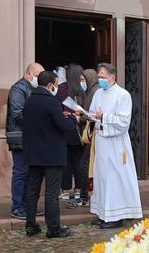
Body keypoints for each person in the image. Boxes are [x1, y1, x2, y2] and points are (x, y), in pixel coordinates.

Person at [22, 70, 78, 238]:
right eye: (55, 84)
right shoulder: (52, 102)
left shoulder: (30, 101)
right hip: (52, 155)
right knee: (52, 193)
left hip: (33, 154)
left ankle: (30, 225)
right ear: (49, 85)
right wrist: (72, 119)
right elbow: (64, 126)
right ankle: (53, 228)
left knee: (32, 190)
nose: (56, 87)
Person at [88, 63, 142, 229]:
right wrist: (85, 116)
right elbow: (92, 112)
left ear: (113, 77)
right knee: (102, 178)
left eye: (103, 77)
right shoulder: (98, 93)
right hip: (102, 142)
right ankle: (103, 213)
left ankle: (116, 215)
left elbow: (123, 122)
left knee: (115, 179)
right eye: (99, 77)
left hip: (117, 144)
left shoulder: (122, 95)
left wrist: (103, 116)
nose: (100, 80)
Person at [5, 62, 44, 220]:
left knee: (29, 173)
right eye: (37, 76)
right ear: (28, 74)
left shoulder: (32, 88)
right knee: (21, 172)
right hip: (20, 136)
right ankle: (17, 207)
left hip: (29, 137)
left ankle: (28, 206)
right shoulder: (18, 89)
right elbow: (17, 113)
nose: (39, 79)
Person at [70, 68, 99, 208]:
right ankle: (85, 196)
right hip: (90, 134)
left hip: (92, 136)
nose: (82, 83)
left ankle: (85, 196)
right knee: (85, 166)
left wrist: (80, 116)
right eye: (80, 80)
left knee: (84, 166)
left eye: (83, 80)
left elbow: (93, 117)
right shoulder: (89, 93)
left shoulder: (95, 92)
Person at [60, 63, 85, 201]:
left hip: (65, 129)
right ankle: (78, 189)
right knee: (79, 162)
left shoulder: (61, 89)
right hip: (79, 131)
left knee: (65, 162)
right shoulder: (82, 90)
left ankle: (65, 190)